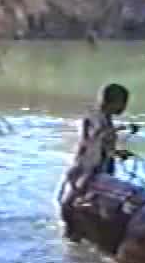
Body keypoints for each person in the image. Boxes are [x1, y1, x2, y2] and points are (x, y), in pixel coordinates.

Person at [57, 83, 138, 231]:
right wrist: (120, 129)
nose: (125, 107)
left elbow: (102, 145)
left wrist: (118, 152)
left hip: (94, 169)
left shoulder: (103, 118)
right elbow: (95, 139)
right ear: (113, 102)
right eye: (123, 103)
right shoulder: (97, 119)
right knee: (75, 203)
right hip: (89, 170)